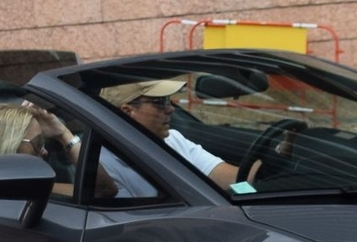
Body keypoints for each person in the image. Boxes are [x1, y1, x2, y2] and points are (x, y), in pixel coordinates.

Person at [101, 78, 258, 194]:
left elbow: (234, 180)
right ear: (127, 112)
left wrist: (278, 154)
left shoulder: (173, 139)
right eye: (160, 101)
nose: (171, 109)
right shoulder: (103, 164)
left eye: (169, 100)